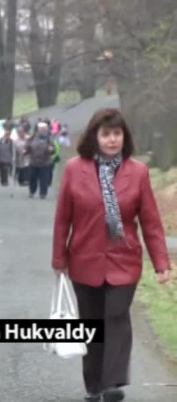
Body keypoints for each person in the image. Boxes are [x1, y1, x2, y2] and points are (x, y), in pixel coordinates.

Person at [52, 108, 171, 402]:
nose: (112, 140)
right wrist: (59, 258)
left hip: (124, 260)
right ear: (94, 137)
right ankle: (93, 384)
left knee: (116, 317)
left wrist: (161, 263)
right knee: (91, 323)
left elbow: (151, 222)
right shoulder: (75, 169)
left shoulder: (138, 172)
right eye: (106, 134)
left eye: (117, 134)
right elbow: (63, 218)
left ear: (124, 137)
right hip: (84, 259)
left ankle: (112, 383)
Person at [25, 122, 55, 199]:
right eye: (41, 129)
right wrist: (25, 151)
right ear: (38, 130)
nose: (43, 131)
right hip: (33, 162)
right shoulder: (32, 137)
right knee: (32, 178)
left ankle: (43, 193)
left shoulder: (49, 139)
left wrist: (51, 150)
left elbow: (53, 149)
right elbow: (27, 146)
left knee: (44, 179)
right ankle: (32, 191)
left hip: (45, 163)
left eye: (44, 129)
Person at [0, 121, 16, 187]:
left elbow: (13, 150)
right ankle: (2, 180)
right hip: (1, 158)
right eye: (6, 135)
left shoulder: (11, 141)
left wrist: (13, 158)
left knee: (6, 170)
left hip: (8, 158)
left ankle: (5, 181)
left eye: (8, 135)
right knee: (1, 170)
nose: (7, 136)